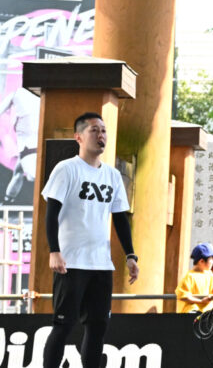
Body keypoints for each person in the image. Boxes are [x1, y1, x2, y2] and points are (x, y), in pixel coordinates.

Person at [41, 112, 139, 368]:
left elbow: (120, 219)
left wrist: (130, 255)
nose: (101, 135)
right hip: (71, 262)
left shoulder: (113, 176)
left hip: (101, 264)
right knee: (63, 325)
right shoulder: (66, 169)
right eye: (94, 130)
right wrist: (54, 250)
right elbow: (51, 214)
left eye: (103, 130)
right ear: (79, 137)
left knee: (97, 327)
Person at [176, 242, 213, 312]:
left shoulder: (210, 274)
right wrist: (201, 301)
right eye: (211, 259)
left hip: (207, 312)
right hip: (191, 312)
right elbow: (182, 296)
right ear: (201, 261)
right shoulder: (190, 277)